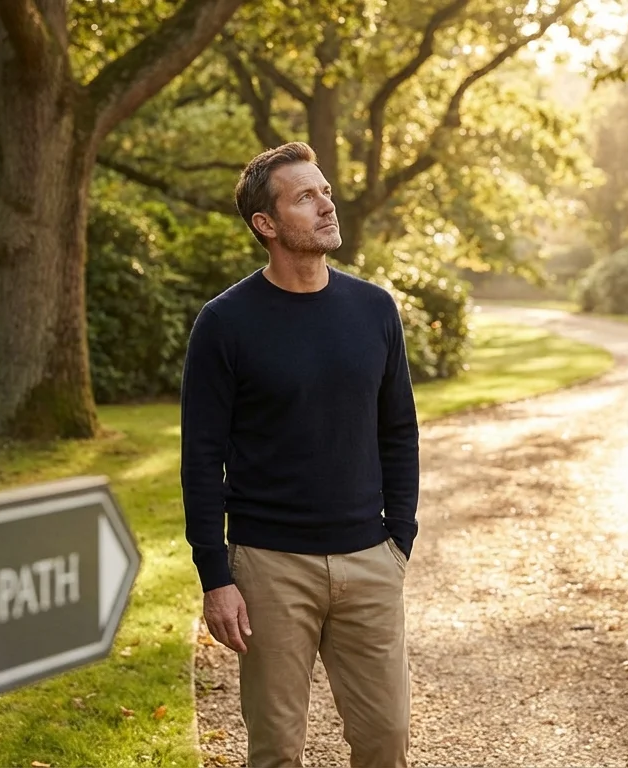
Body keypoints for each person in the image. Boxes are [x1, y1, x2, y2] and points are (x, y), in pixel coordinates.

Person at [179, 141, 420, 768]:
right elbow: (202, 456)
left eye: (326, 191)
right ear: (267, 223)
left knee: (386, 739)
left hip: (370, 559)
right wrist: (216, 576)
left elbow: (398, 432)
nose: (326, 204)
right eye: (306, 196)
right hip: (269, 567)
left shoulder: (374, 310)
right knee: (277, 750)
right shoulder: (224, 323)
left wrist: (399, 541)